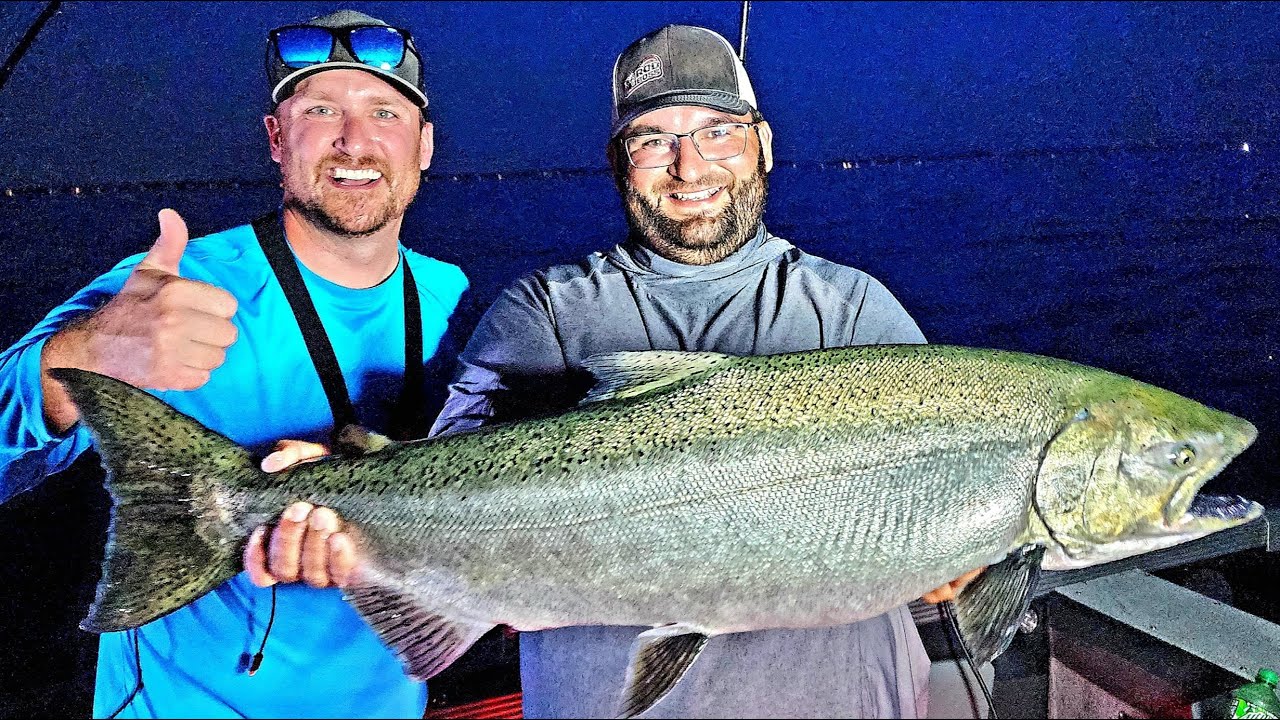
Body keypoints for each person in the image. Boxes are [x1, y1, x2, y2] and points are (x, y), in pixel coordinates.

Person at [428, 24, 977, 719]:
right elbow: (443, 494)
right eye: (653, 139)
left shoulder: (855, 311)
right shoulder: (546, 313)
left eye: (718, 132)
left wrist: (968, 554)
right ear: (619, 162)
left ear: (764, 145)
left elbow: (939, 492)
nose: (689, 168)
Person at [0, 9, 467, 718]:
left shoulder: (455, 298)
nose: (355, 140)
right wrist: (76, 359)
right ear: (277, 140)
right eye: (319, 110)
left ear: (425, 145)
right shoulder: (171, 287)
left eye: (384, 113)